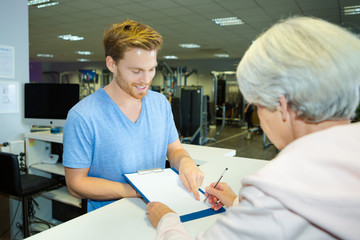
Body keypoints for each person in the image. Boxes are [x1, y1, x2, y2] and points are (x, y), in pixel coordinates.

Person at [146, 16, 360, 239]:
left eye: (258, 105)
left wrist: (167, 220)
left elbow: (277, 214)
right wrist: (240, 205)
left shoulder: (278, 187)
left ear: (282, 105)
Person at [62, 19, 204, 212]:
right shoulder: (83, 115)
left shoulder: (160, 103)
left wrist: (186, 161)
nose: (146, 80)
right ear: (112, 64)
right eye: (136, 71)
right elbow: (76, 184)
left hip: (158, 210)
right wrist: (135, 190)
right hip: (109, 219)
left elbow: (174, 150)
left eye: (151, 69)